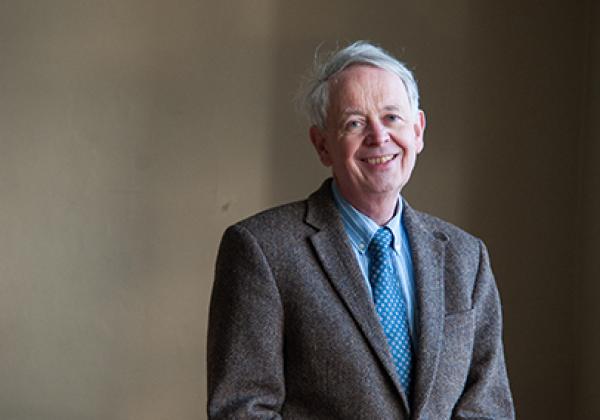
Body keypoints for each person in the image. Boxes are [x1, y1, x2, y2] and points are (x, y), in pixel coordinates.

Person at [207, 41, 514, 419]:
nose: (378, 136)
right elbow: (242, 410)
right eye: (354, 123)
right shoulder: (262, 249)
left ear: (417, 130)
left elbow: (488, 406)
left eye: (392, 118)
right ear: (322, 145)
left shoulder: (467, 257)